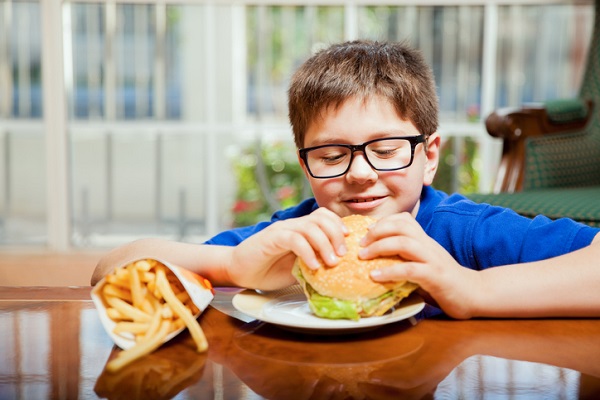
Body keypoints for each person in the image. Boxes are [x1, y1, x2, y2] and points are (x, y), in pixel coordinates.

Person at [92, 40, 600, 319]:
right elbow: (110, 271)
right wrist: (231, 263)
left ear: (429, 157)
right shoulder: (297, 238)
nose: (360, 173)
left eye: (385, 149)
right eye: (332, 155)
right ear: (305, 162)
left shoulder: (463, 231)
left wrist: (469, 287)